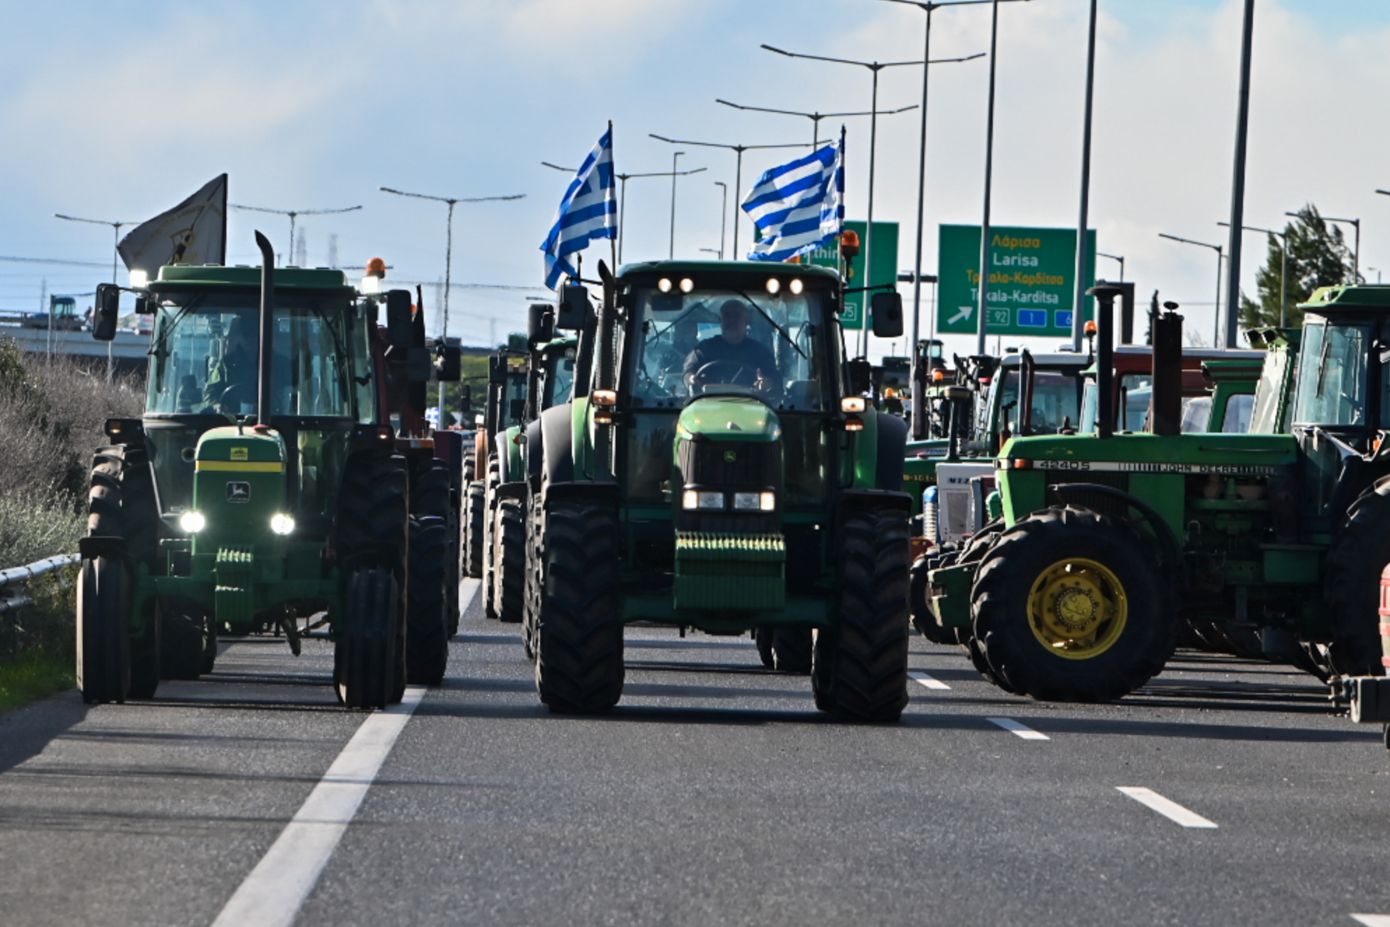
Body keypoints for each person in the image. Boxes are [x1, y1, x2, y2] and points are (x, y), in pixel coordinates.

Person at [682, 299, 778, 391]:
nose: (732, 320)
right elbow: (688, 372)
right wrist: (691, 379)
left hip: (752, 404)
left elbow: (774, 379)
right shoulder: (704, 349)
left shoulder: (761, 352)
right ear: (721, 321)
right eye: (727, 316)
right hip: (707, 404)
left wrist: (767, 383)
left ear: (746, 321)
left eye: (737, 316)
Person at [203, 314, 257, 411]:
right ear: (240, 337)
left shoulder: (279, 364)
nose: (250, 339)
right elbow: (209, 393)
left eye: (254, 334)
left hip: (272, 421)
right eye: (246, 334)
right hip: (228, 421)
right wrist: (216, 405)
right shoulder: (225, 365)